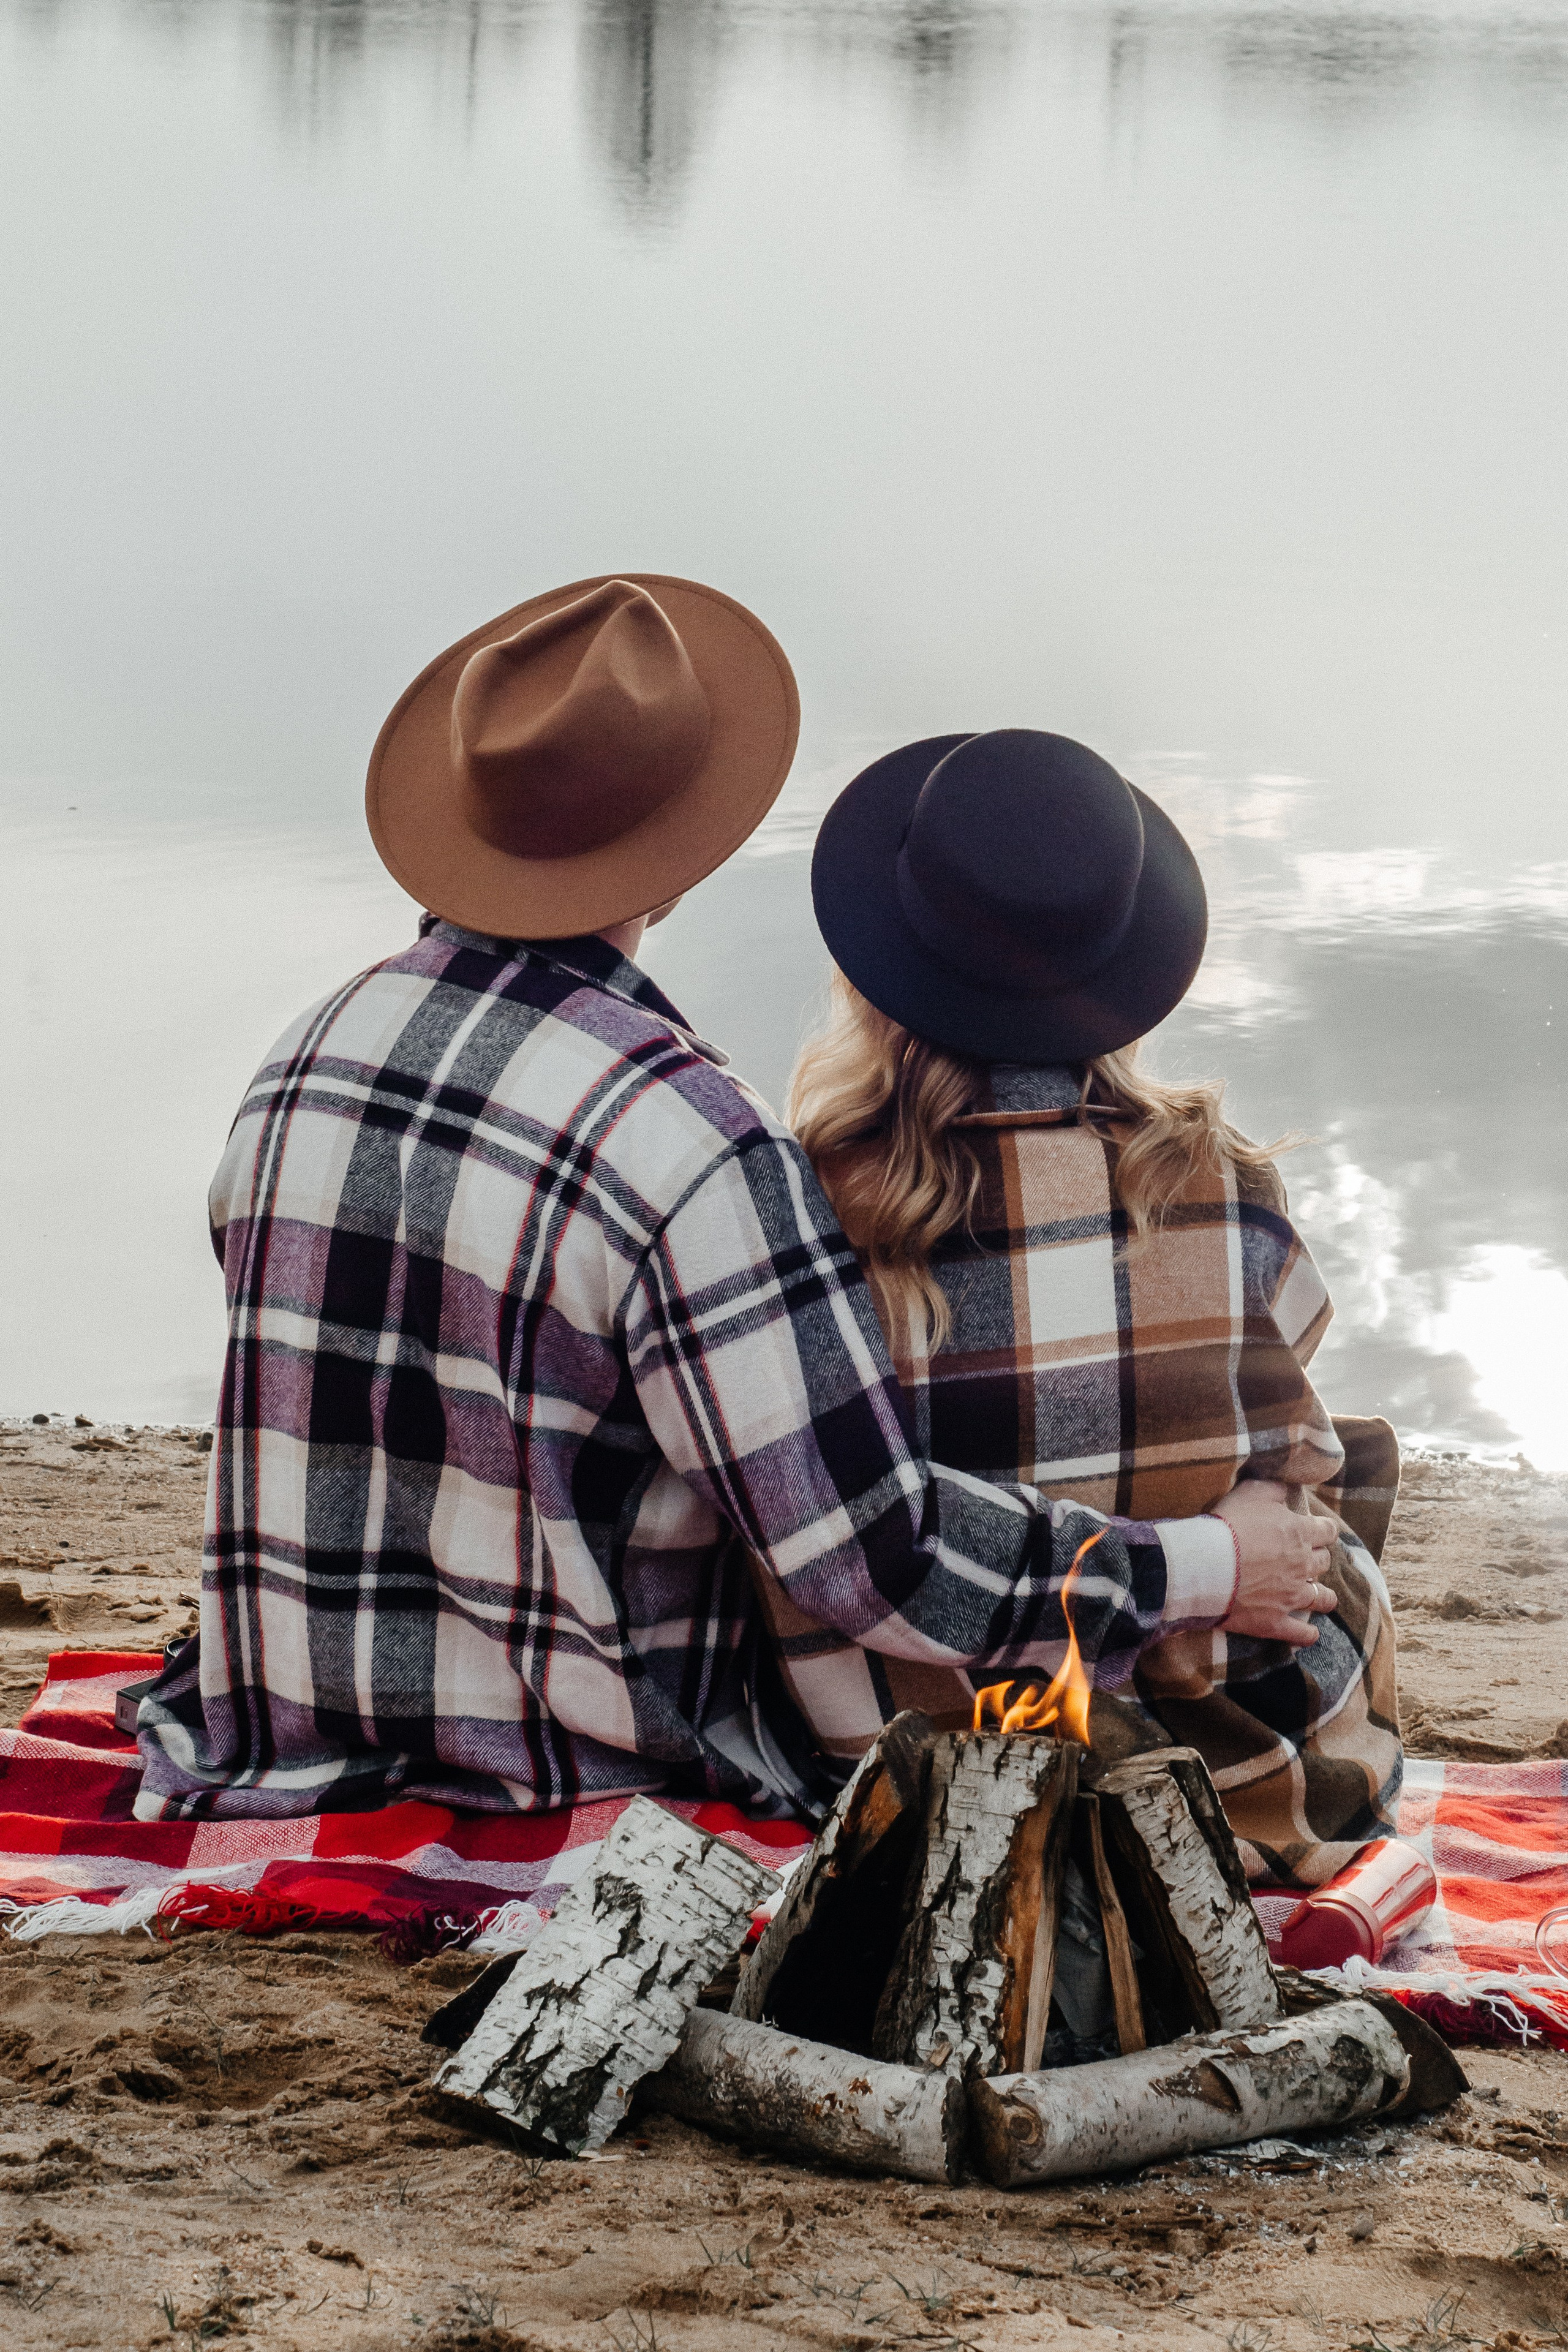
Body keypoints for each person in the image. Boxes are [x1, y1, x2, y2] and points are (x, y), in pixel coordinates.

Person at [135, 580, 1332, 1824]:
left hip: (273, 1722)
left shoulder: (303, 1056)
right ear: (682, 851)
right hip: (552, 1767)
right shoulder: (684, 1142)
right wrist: (1205, 1562)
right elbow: (874, 1561)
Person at [789, 726, 1401, 1886]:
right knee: (1320, 1457)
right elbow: (1288, 1372)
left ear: (878, 969)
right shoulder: (1225, 1181)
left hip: (922, 1779)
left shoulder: (813, 1208)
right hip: (1244, 1773)